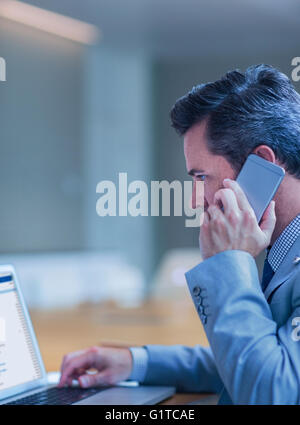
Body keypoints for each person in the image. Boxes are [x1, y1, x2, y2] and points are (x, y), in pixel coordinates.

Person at [58, 64, 300, 404]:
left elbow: (271, 392)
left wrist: (230, 262)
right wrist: (136, 362)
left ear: (262, 164)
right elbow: (254, 358)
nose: (193, 199)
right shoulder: (285, 252)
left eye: (201, 176)